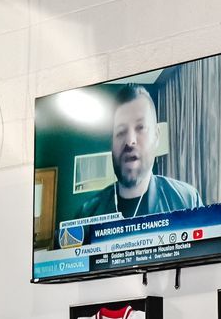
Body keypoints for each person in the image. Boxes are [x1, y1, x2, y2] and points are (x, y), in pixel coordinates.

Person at [80, 85, 201, 219]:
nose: (130, 141)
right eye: (121, 131)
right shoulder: (86, 215)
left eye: (140, 127)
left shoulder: (188, 202)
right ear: (111, 142)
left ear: (156, 136)